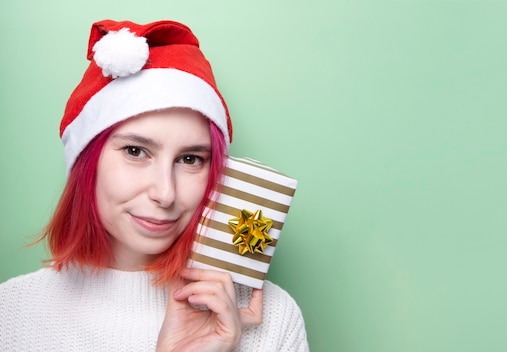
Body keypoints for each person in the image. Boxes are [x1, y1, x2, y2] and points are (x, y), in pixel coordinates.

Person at [0, 19, 309, 352]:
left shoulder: (270, 318)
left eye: (190, 159)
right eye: (135, 151)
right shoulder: (12, 314)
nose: (165, 194)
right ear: (86, 161)